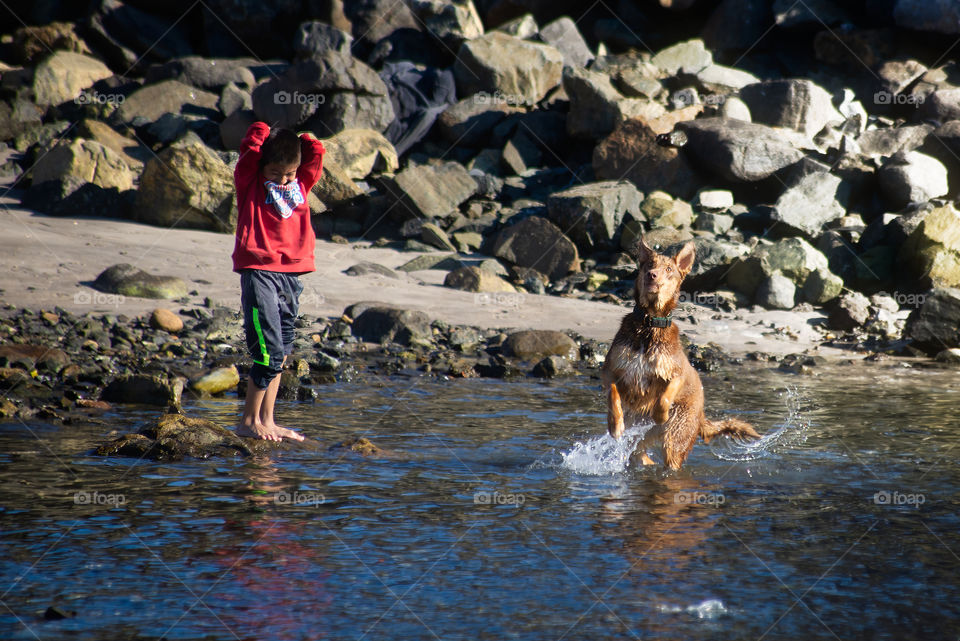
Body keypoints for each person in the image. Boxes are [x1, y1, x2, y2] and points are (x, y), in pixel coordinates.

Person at [232, 121, 324, 441]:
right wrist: (261, 130)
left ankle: (268, 420)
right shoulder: (250, 182)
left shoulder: (300, 184)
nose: (283, 180)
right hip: (259, 271)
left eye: (289, 174)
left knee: (282, 349)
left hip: (291, 275)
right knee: (267, 351)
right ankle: (248, 421)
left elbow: (315, 155)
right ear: (262, 167)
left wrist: (304, 139)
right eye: (276, 173)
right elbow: (249, 153)